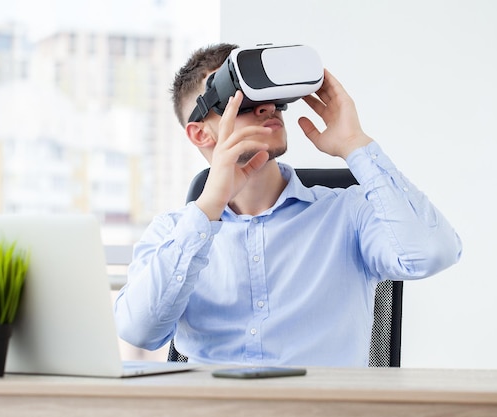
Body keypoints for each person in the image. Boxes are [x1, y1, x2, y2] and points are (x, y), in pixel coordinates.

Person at [114, 43, 462, 367]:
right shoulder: (172, 233)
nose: (267, 107)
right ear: (201, 134)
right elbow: (138, 332)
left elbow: (432, 253)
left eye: (269, 96)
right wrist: (207, 210)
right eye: (241, 100)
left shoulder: (348, 214)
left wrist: (355, 145)